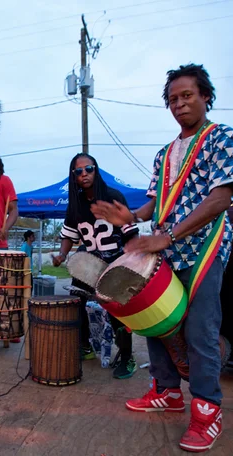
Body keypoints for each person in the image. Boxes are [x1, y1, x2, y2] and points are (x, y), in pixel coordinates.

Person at [92, 64, 233, 452]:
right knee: (155, 321)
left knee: (199, 331)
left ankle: (208, 410)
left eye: (187, 96)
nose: (180, 104)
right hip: (168, 246)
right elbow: (155, 201)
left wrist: (168, 236)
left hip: (205, 245)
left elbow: (220, 199)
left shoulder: (224, 138)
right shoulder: (165, 153)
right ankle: (167, 392)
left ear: (206, 96)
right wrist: (134, 218)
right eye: (173, 99)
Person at [52, 153, 138, 378]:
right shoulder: (75, 205)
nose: (84, 174)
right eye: (78, 171)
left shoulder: (113, 196)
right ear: (74, 176)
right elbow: (69, 236)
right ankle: (85, 346)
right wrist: (61, 254)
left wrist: (131, 263)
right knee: (76, 303)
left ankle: (127, 357)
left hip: (115, 264)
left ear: (96, 170)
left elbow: (130, 234)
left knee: (116, 313)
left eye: (88, 169)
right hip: (88, 265)